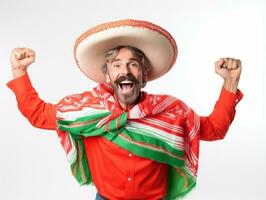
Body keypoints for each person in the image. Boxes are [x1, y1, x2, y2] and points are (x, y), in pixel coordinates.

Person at [7, 19, 243, 200]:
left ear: (144, 75)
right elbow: (38, 114)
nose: (125, 71)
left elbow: (215, 129)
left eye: (133, 64)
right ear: (108, 76)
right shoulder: (86, 111)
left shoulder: (170, 113)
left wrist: (230, 83)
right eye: (117, 65)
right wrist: (19, 71)